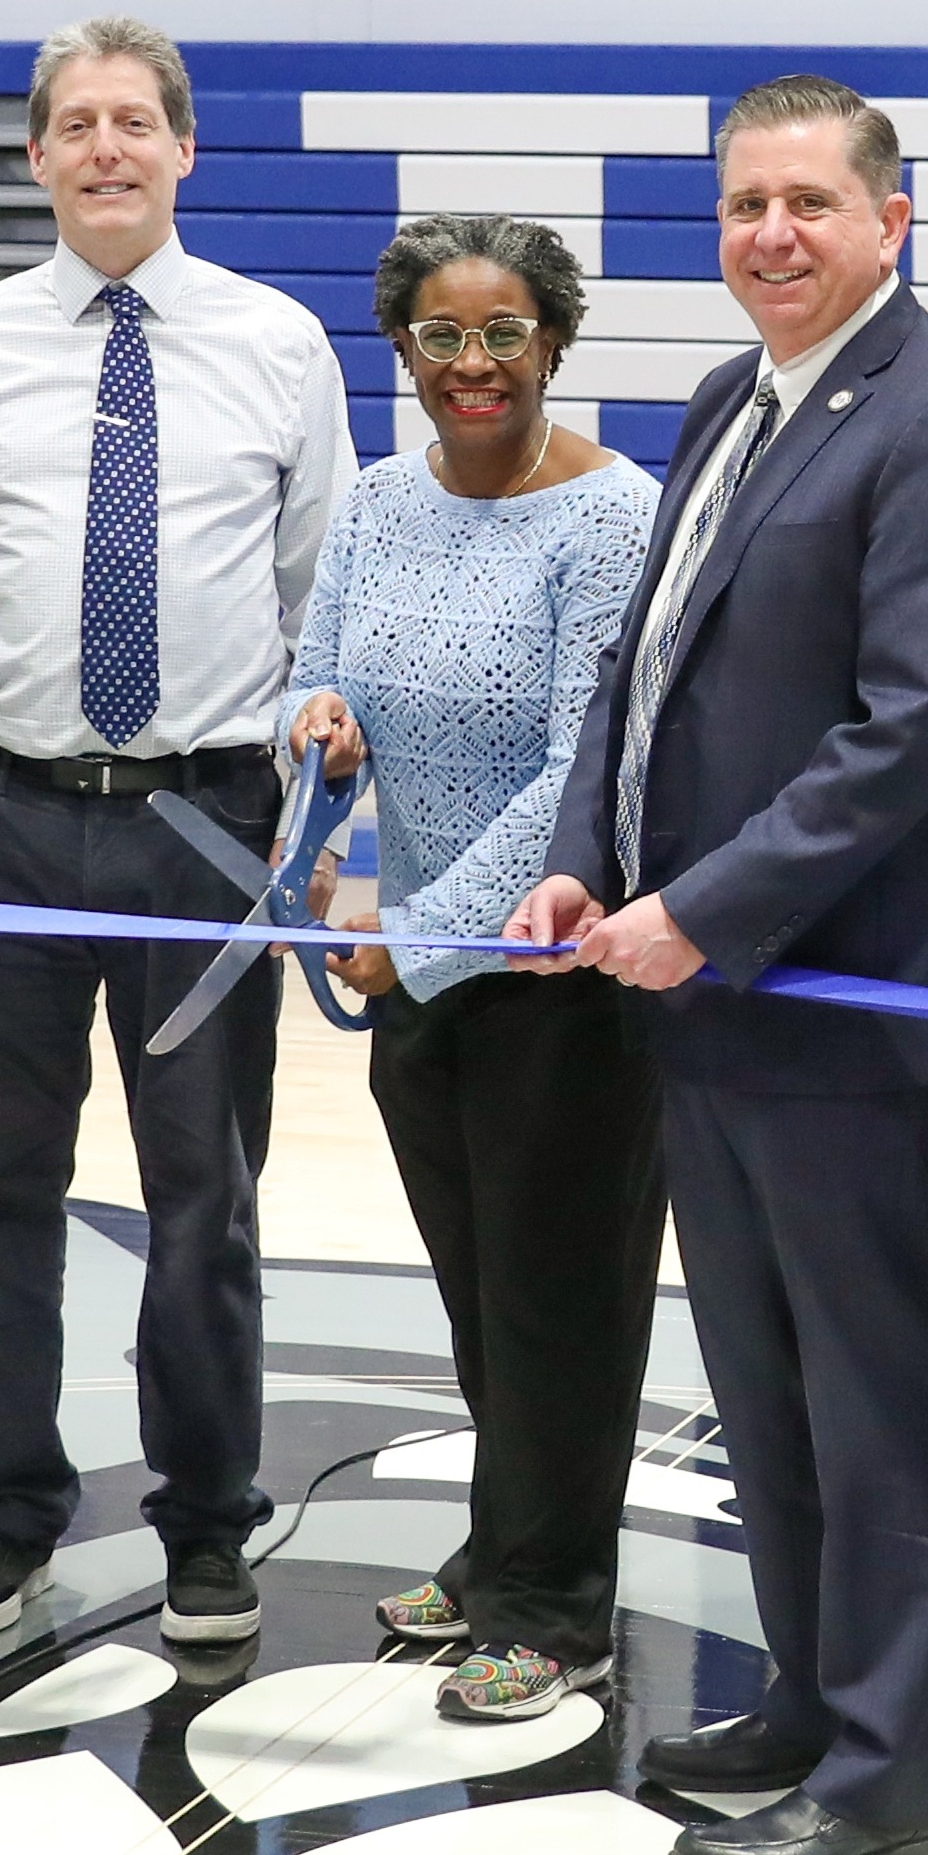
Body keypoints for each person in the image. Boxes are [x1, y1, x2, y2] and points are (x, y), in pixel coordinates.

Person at [506, 75, 928, 1855]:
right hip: (707, 993)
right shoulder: (735, 394)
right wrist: (590, 851)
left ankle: (893, 1764)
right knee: (767, 1380)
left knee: (876, 1391)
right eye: (744, 204)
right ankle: (812, 1696)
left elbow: (904, 739)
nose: (771, 235)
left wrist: (707, 906)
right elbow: (638, 675)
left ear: (892, 220)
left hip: (847, 1003)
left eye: (809, 201)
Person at [0, 17, 354, 1652]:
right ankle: (6, 1512)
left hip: (207, 827)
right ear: (35, 158)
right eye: (74, 124)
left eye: (133, 121)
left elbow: (323, 613)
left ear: (184, 149)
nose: (105, 150)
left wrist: (321, 823)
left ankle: (207, 1522)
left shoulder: (278, 345)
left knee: (202, 1192)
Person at [286, 216, 662, 1723]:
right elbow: (315, 668)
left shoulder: (613, 515)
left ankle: (559, 1612)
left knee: (561, 1306)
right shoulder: (376, 505)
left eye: (503, 332)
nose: (473, 365)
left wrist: (417, 934)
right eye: (442, 338)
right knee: (481, 1297)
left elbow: (587, 770)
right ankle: (507, 1541)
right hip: (417, 977)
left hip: (562, 980)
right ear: (405, 354)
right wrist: (317, 729)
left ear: (555, 342)